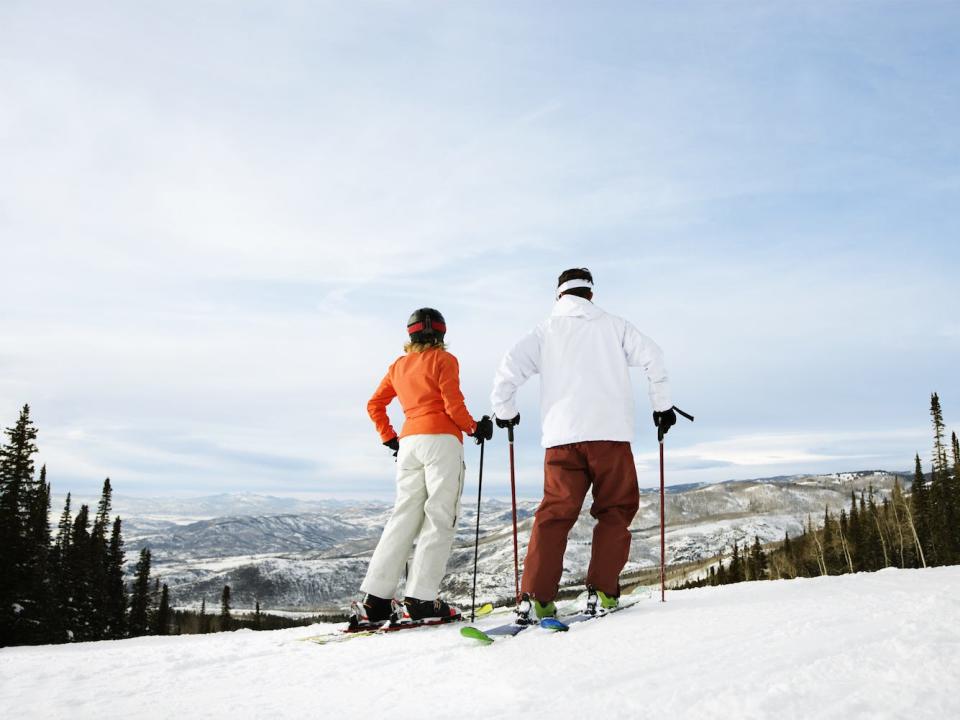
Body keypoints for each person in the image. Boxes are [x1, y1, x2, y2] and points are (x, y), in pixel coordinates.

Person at [490, 268, 675, 619]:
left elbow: (508, 369)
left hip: (561, 438)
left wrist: (505, 411)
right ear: (591, 294)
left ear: (559, 295)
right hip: (610, 437)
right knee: (615, 511)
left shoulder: (544, 331)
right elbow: (654, 357)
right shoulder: (615, 326)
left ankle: (535, 596)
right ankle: (603, 593)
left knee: (554, 515)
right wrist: (661, 407)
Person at [353, 307, 493, 629]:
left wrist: (391, 438)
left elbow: (374, 404)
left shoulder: (398, 366)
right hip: (441, 442)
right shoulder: (444, 360)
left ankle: (375, 601)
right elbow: (452, 404)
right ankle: (420, 601)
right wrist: (474, 428)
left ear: (411, 334)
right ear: (441, 334)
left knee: (403, 517)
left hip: (410, 444)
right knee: (440, 516)